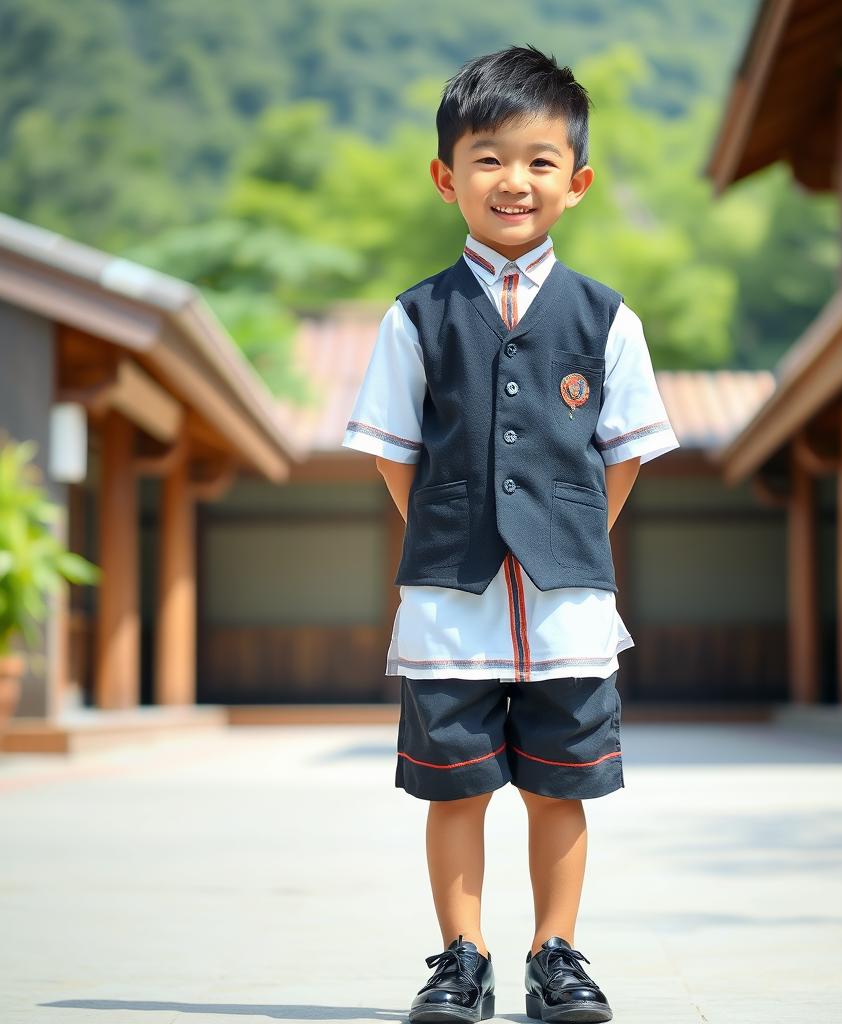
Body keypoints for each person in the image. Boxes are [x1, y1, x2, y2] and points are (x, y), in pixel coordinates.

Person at [341, 44, 679, 1024]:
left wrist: (561, 541)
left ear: (575, 183)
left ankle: (556, 955)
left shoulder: (607, 319)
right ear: (446, 176)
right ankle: (460, 958)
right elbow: (391, 454)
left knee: (558, 784)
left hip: (570, 605)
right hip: (448, 605)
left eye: (538, 160)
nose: (513, 180)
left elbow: (625, 453)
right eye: (487, 158)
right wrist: (458, 543)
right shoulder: (414, 318)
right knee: (454, 785)